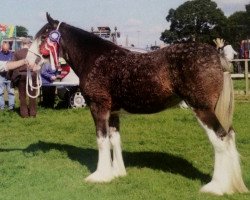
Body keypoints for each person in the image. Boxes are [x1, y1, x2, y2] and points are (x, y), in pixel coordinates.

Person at [11, 38, 37, 118]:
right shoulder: (33, 53)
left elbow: (13, 65)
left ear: (22, 44)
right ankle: (33, 113)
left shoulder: (17, 53)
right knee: (32, 95)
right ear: (29, 44)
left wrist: (11, 77)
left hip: (21, 75)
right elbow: (39, 62)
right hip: (32, 75)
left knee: (22, 96)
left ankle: (24, 114)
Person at [0, 42, 14, 111]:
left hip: (9, 76)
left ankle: (11, 107)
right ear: (1, 48)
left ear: (9, 48)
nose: (6, 51)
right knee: (0, 92)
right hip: (1, 75)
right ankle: (1, 107)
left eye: (7, 49)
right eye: (4, 49)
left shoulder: (12, 54)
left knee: (11, 92)